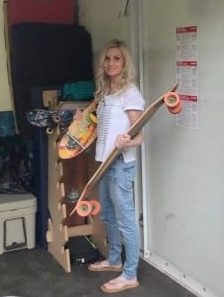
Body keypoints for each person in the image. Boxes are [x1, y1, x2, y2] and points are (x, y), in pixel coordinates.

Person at [87, 39, 145, 293]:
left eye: (117, 58)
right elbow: (104, 126)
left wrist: (127, 141)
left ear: (124, 63)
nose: (111, 63)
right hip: (104, 162)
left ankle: (130, 273)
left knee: (125, 220)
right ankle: (113, 259)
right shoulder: (105, 91)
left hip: (120, 163)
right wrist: (83, 118)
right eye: (108, 58)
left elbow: (140, 134)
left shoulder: (129, 92)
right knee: (108, 215)